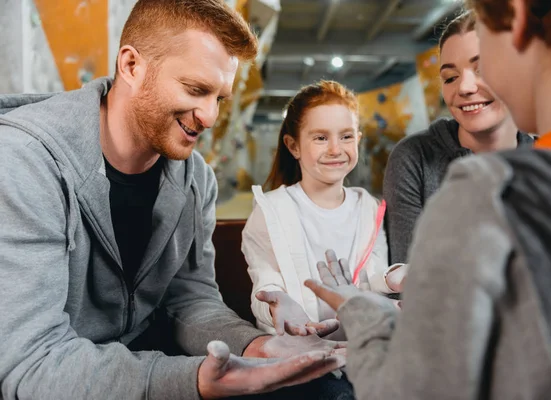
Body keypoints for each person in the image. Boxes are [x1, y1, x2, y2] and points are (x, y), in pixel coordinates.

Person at [0, 1, 349, 399]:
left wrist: (257, 347)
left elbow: (190, 299)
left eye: (220, 97)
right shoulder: (24, 162)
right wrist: (194, 379)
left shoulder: (195, 177)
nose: (211, 116)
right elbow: (32, 363)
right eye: (196, 89)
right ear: (131, 66)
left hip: (139, 366)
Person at [304, 0, 551, 399]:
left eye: (482, 59)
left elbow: (409, 390)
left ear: (518, 18)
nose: (467, 84)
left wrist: (360, 310)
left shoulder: (487, 194)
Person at [241, 80, 407, 337]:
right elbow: (266, 284)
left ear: (358, 140)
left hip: (360, 351)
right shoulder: (270, 211)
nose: (335, 149)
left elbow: (369, 279)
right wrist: (276, 308)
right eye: (320, 137)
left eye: (346, 136)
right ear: (293, 145)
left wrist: (392, 277)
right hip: (296, 352)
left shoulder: (370, 209)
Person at [383, 10, 534, 265]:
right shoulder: (415, 158)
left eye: (482, 69)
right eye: (450, 78)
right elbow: (409, 277)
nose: (464, 88)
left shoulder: (549, 159)